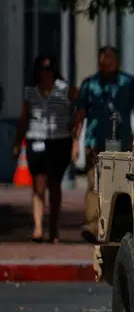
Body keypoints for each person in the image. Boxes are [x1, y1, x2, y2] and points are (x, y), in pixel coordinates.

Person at [74, 46, 134, 242]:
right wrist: (74, 142)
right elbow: (80, 114)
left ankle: (116, 226)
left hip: (122, 144)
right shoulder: (90, 84)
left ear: (117, 61)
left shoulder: (128, 83)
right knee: (95, 185)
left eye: (110, 60)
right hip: (96, 143)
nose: (106, 64)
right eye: (103, 61)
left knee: (121, 185)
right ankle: (93, 226)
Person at [11, 54, 77, 243]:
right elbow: (24, 118)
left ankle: (54, 228)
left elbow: (80, 106)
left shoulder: (64, 90)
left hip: (59, 141)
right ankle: (38, 227)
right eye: (42, 70)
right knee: (38, 185)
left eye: (49, 70)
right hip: (36, 140)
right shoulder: (30, 92)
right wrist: (17, 142)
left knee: (55, 185)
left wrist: (75, 132)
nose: (46, 74)